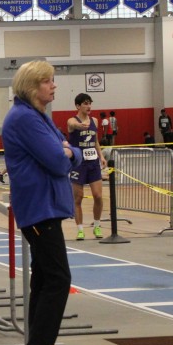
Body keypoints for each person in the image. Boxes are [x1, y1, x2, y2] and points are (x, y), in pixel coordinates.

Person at [2, 60, 82, 345]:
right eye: (48, 81)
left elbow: (70, 152)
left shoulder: (39, 117)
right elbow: (58, 161)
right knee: (59, 279)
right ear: (33, 86)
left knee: (45, 279)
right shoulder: (24, 118)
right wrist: (67, 153)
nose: (54, 86)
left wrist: (69, 152)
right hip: (39, 209)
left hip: (46, 208)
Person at [67, 93, 105, 240]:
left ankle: (97, 226)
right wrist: (79, 126)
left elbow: (95, 141)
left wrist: (101, 156)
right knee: (78, 198)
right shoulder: (72, 120)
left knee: (98, 196)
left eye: (90, 103)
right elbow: (71, 125)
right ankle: (80, 229)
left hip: (93, 162)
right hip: (78, 164)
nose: (89, 106)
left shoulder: (94, 120)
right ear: (78, 106)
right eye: (85, 103)